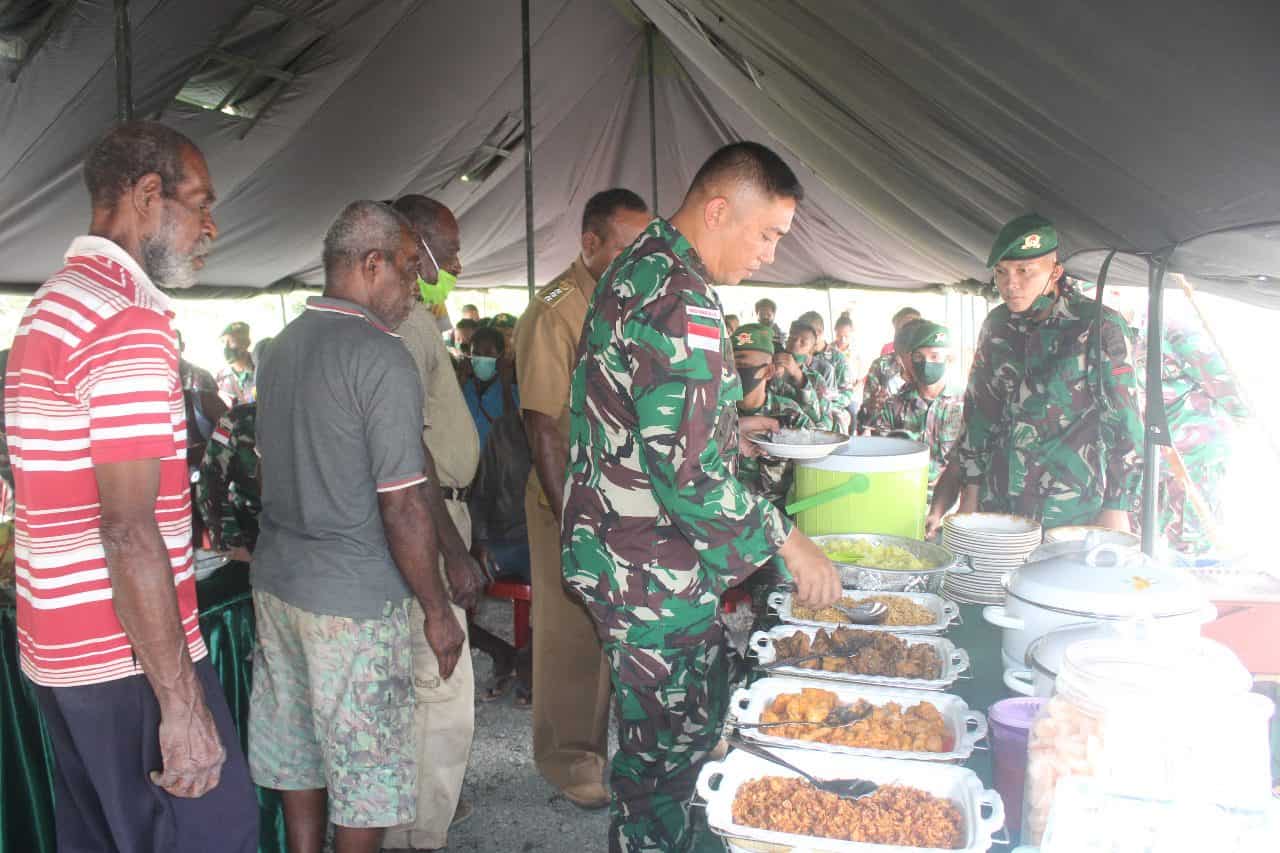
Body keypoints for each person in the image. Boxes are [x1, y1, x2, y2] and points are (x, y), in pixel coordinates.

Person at [561, 140, 841, 852]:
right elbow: (687, 478)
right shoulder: (680, 297)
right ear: (719, 210)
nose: (771, 255)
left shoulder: (644, 266)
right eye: (768, 234)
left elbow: (644, 419)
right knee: (665, 761)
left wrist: (726, 427)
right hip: (650, 571)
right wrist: (788, 539)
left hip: (628, 553)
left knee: (666, 750)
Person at [4, 121, 257, 852]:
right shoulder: (127, 320)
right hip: (129, 658)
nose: (211, 226)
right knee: (214, 831)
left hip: (60, 653)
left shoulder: (51, 304)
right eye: (201, 203)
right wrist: (179, 705)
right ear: (148, 196)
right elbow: (127, 527)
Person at [250, 201, 465, 853]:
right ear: (371, 265)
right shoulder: (382, 357)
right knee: (365, 777)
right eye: (406, 268)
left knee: (301, 753)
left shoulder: (279, 348)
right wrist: (437, 608)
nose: (415, 287)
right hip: (353, 601)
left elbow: (267, 476)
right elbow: (404, 505)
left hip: (279, 587)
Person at [515, 187, 651, 809]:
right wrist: (571, 518)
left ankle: (608, 744)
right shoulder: (554, 307)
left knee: (613, 626)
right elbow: (542, 424)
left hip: (619, 495)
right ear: (590, 243)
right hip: (568, 498)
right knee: (571, 631)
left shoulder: (623, 300)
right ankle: (569, 758)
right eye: (625, 247)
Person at [386, 193, 489, 850]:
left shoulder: (420, 320)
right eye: (447, 252)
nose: (455, 262)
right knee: (438, 691)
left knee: (429, 687)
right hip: (429, 518)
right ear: (415, 250)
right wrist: (452, 550)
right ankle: (417, 834)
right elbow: (405, 447)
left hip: (440, 509)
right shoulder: (408, 328)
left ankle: (420, 822)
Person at [956, 213, 1144, 531]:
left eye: (1024, 271)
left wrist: (1118, 505)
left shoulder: (1098, 325)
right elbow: (978, 415)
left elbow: (1125, 422)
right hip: (1000, 504)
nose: (1009, 283)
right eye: (1001, 272)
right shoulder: (997, 326)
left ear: (1055, 271)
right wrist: (970, 494)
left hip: (1072, 508)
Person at [1132, 307, 1248, 555]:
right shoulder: (1114, 332)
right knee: (1145, 536)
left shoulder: (1172, 329)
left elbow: (1229, 386)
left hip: (1192, 453)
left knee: (1191, 537)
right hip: (1152, 454)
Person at [863, 319, 963, 487]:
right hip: (902, 490)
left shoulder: (966, 404)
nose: (926, 363)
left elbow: (973, 461)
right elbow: (881, 456)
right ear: (910, 359)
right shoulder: (894, 405)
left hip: (947, 498)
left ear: (949, 359)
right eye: (919, 357)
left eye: (935, 356)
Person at [733, 323, 823, 506]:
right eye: (729, 364)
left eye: (741, 365)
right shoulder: (714, 413)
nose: (732, 372)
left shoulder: (790, 416)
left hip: (780, 518)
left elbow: (814, 471)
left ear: (768, 371)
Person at [197, 402, 260, 564]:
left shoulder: (321, 414)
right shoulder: (236, 420)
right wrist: (232, 543)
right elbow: (209, 479)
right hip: (255, 537)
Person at [857, 305, 920, 429]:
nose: (908, 334)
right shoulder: (880, 365)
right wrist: (872, 406)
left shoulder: (929, 365)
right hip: (887, 433)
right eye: (903, 329)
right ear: (895, 333)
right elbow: (866, 419)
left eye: (914, 329)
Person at [461, 326, 520, 451]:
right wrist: (461, 379)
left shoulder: (511, 391)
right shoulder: (465, 387)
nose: (482, 358)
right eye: (476, 353)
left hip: (496, 466)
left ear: (501, 357)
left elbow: (514, 429)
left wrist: (505, 386)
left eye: (488, 353)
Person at [798, 310, 856, 433]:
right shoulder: (798, 355)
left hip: (830, 407)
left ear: (818, 333)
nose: (800, 338)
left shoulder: (837, 359)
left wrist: (826, 403)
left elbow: (847, 393)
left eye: (805, 334)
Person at [772, 319, 834, 428]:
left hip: (805, 436)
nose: (795, 343)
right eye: (792, 339)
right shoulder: (771, 370)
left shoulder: (816, 379)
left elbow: (826, 421)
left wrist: (798, 376)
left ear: (811, 350)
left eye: (803, 342)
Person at [215, 320, 256, 406]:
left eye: (231, 341)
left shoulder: (260, 368)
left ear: (246, 343)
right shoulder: (220, 377)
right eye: (223, 342)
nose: (226, 347)